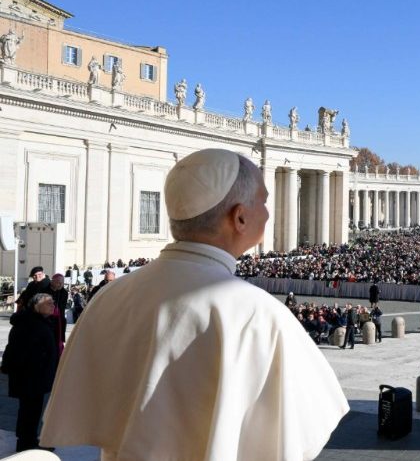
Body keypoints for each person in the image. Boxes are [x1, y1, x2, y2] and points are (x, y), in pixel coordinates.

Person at [40, 148, 349, 459]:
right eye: (264, 202)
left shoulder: (109, 296)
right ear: (240, 217)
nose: (269, 214)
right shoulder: (259, 315)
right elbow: (300, 437)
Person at [1, 293, 59, 452]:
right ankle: (26, 443)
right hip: (30, 376)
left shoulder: (39, 321)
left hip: (34, 375)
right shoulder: (30, 323)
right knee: (30, 410)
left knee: (32, 409)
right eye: (48, 303)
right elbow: (22, 351)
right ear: (36, 306)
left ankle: (28, 440)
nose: (52, 305)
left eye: (53, 302)